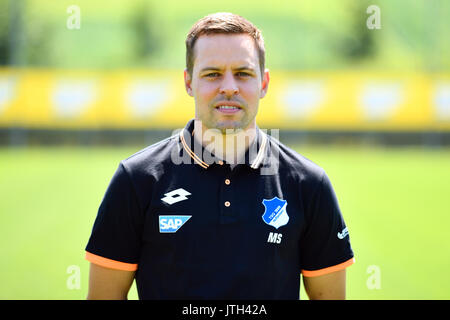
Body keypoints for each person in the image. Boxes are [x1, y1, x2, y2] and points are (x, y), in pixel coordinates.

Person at [85, 12, 354, 300]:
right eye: (212, 74)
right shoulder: (136, 179)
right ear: (189, 82)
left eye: (243, 73)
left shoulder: (309, 184)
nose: (228, 87)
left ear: (263, 83)